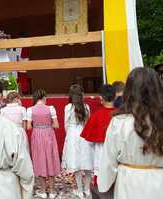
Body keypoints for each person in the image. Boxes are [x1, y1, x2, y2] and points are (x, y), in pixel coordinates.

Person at [99, 67, 163, 199]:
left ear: (129, 91)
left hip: (129, 183)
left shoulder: (119, 122)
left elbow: (108, 161)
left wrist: (104, 185)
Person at [25, 89, 60, 199]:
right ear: (44, 97)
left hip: (37, 136)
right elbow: (56, 125)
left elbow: (28, 127)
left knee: (39, 160)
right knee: (51, 159)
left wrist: (38, 126)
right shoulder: (51, 108)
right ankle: (53, 191)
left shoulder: (30, 109)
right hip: (49, 135)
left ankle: (44, 191)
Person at [62, 85, 94, 199]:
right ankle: (87, 190)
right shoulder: (86, 107)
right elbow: (88, 122)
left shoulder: (68, 107)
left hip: (72, 134)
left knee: (76, 163)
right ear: (82, 95)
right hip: (84, 133)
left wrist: (69, 135)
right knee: (87, 162)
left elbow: (65, 124)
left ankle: (80, 191)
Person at [81, 84, 116, 182]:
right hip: (118, 155)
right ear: (115, 96)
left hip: (101, 154)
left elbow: (89, 142)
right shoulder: (121, 114)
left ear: (101, 97)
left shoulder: (96, 115)